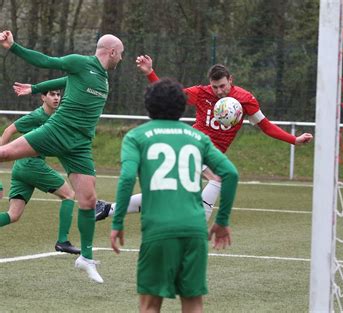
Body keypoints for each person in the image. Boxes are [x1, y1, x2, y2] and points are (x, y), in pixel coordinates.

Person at [95, 55, 313, 222]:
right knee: (218, 178)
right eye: (215, 87)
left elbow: (265, 126)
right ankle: (198, 226)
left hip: (210, 153)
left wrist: (294, 140)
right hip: (193, 145)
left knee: (166, 195)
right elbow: (169, 94)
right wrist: (150, 72)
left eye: (222, 86)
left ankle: (108, 209)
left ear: (231, 81)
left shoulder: (245, 100)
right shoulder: (201, 93)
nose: (218, 91)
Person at [0, 30, 124, 283]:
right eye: (120, 54)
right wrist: (13, 46)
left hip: (79, 146)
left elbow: (65, 83)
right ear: (111, 52)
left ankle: (86, 258)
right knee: (3, 153)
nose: (121, 59)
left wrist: (34, 88)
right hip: (56, 131)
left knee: (88, 200)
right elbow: (46, 61)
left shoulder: (103, 78)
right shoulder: (81, 63)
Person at [110, 78, 239, 313]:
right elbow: (230, 173)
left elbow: (128, 178)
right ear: (182, 107)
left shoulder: (137, 137)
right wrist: (222, 221)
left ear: (148, 105)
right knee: (193, 304)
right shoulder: (199, 137)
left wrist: (117, 221)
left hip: (159, 230)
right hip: (195, 229)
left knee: (150, 304)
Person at [0, 87, 80, 254]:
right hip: (30, 165)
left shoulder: (57, 117)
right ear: (43, 97)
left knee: (13, 215)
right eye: (52, 94)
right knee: (69, 195)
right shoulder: (37, 116)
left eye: (58, 94)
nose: (56, 98)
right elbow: (9, 130)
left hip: (21, 168)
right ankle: (62, 241)